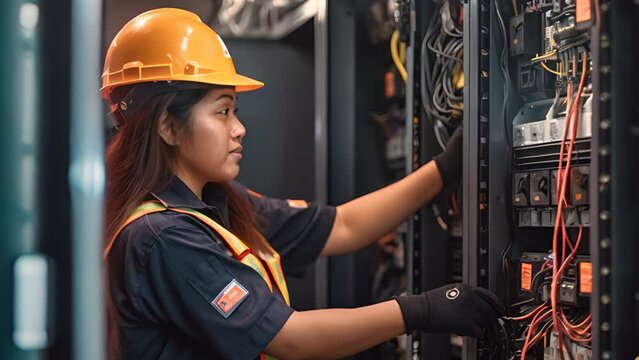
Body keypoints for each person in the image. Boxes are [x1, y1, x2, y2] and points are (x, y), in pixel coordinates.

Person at [102, 8, 504, 360]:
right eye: (222, 111)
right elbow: (291, 339)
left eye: (235, 111)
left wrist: (445, 168)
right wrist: (420, 311)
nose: (239, 129)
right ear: (168, 127)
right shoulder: (162, 238)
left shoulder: (213, 204)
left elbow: (342, 225)